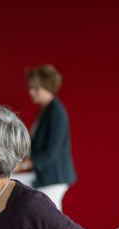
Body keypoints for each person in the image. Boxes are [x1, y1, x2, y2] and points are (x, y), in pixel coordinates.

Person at [19, 64, 76, 211]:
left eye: (36, 88)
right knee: (48, 220)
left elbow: (53, 151)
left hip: (53, 177)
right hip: (49, 177)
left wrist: (26, 164)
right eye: (30, 87)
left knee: (50, 222)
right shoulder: (47, 110)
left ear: (48, 87)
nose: (31, 92)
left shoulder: (55, 112)